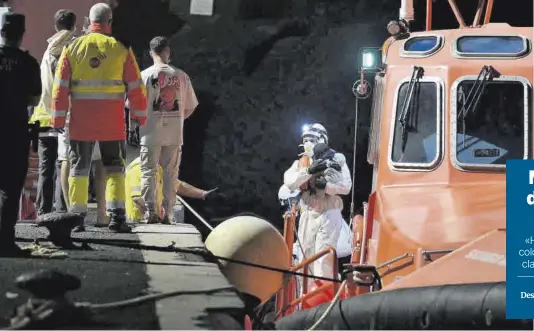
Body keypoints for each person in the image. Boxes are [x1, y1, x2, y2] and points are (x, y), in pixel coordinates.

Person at [51, 3, 147, 233]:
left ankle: (77, 218)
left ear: (89, 20)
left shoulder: (73, 47)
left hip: (80, 122)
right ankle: (117, 218)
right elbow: (136, 87)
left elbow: (60, 87)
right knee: (115, 168)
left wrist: (57, 119)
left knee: (79, 169)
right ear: (110, 21)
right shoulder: (121, 49)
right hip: (111, 123)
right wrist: (138, 118)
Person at [135, 36, 198, 224]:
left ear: (150, 52)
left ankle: (150, 212)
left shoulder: (144, 76)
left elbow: (133, 107)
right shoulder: (181, 76)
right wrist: (178, 119)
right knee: (171, 174)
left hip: (149, 133)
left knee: (148, 172)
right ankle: (169, 214)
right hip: (174, 133)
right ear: (168, 52)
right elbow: (191, 106)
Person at [283, 123, 352, 288]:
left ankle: (323, 299)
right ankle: (305, 303)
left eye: (311, 139)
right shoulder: (302, 163)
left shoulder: (336, 159)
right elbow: (290, 182)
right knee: (304, 262)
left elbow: (346, 186)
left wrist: (326, 186)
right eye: (305, 139)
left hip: (328, 213)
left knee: (322, 262)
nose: (307, 143)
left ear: (322, 139)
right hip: (307, 214)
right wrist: (308, 172)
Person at [56, 16, 108, 230]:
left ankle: (74, 214)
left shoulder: (69, 49)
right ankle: (102, 213)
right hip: (96, 113)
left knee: (69, 159)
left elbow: (57, 84)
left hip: (72, 112)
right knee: (97, 162)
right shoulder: (105, 52)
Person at [0, 13, 42, 256]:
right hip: (15, 129)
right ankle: (5, 242)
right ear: (21, 34)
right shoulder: (28, 63)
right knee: (11, 187)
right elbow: (34, 99)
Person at [29, 10, 76, 216]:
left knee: (45, 166)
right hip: (64, 117)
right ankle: (61, 211)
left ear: (55, 26)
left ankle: (42, 211)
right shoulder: (71, 48)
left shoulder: (48, 51)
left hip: (43, 116)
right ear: (73, 26)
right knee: (63, 163)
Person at [125, 156, 224, 223]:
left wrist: (203, 194)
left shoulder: (157, 168)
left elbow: (176, 185)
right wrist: (153, 214)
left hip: (151, 220)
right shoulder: (140, 168)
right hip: (138, 221)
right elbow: (137, 197)